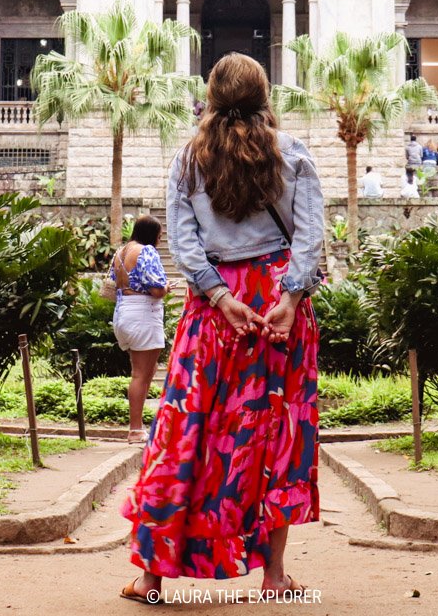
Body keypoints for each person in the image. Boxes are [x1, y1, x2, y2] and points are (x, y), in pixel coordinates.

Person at [123, 53, 321, 601]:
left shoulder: (189, 160)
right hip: (279, 303)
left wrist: (219, 295)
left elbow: (183, 242)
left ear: (211, 96)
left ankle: (152, 576)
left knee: (187, 429)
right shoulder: (294, 154)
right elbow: (309, 236)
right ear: (265, 95)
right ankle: (276, 576)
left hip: (215, 309)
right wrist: (290, 296)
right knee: (277, 431)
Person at [110, 216, 169, 444]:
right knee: (141, 374)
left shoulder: (121, 252)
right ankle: (135, 429)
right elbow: (156, 290)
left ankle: (138, 426)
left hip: (123, 311)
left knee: (144, 371)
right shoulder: (146, 251)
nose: (160, 239)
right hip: (143, 313)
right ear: (150, 233)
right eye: (159, 235)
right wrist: (165, 288)